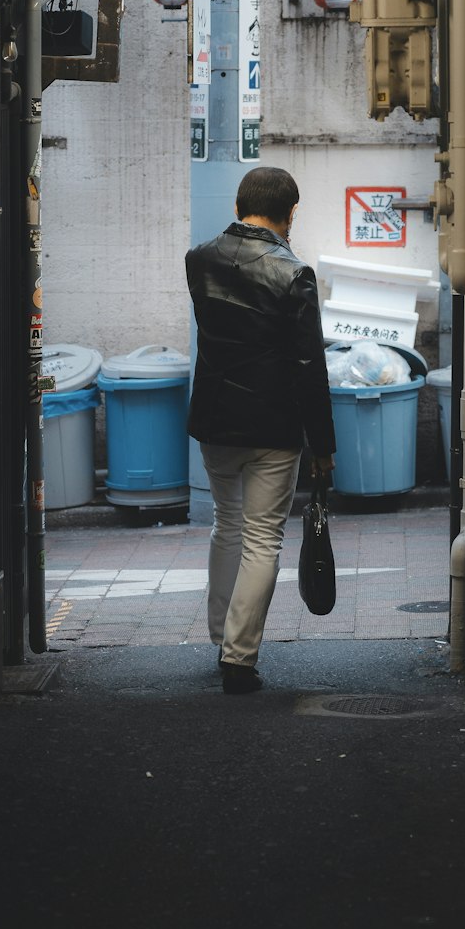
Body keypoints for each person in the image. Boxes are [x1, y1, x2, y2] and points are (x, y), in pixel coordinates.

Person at [185, 165, 335, 695]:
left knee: (227, 524)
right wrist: (323, 445)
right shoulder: (294, 274)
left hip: (215, 420)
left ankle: (220, 634)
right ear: (290, 214)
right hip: (272, 425)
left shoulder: (198, 260)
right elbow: (308, 367)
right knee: (262, 537)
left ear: (236, 206)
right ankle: (239, 658)